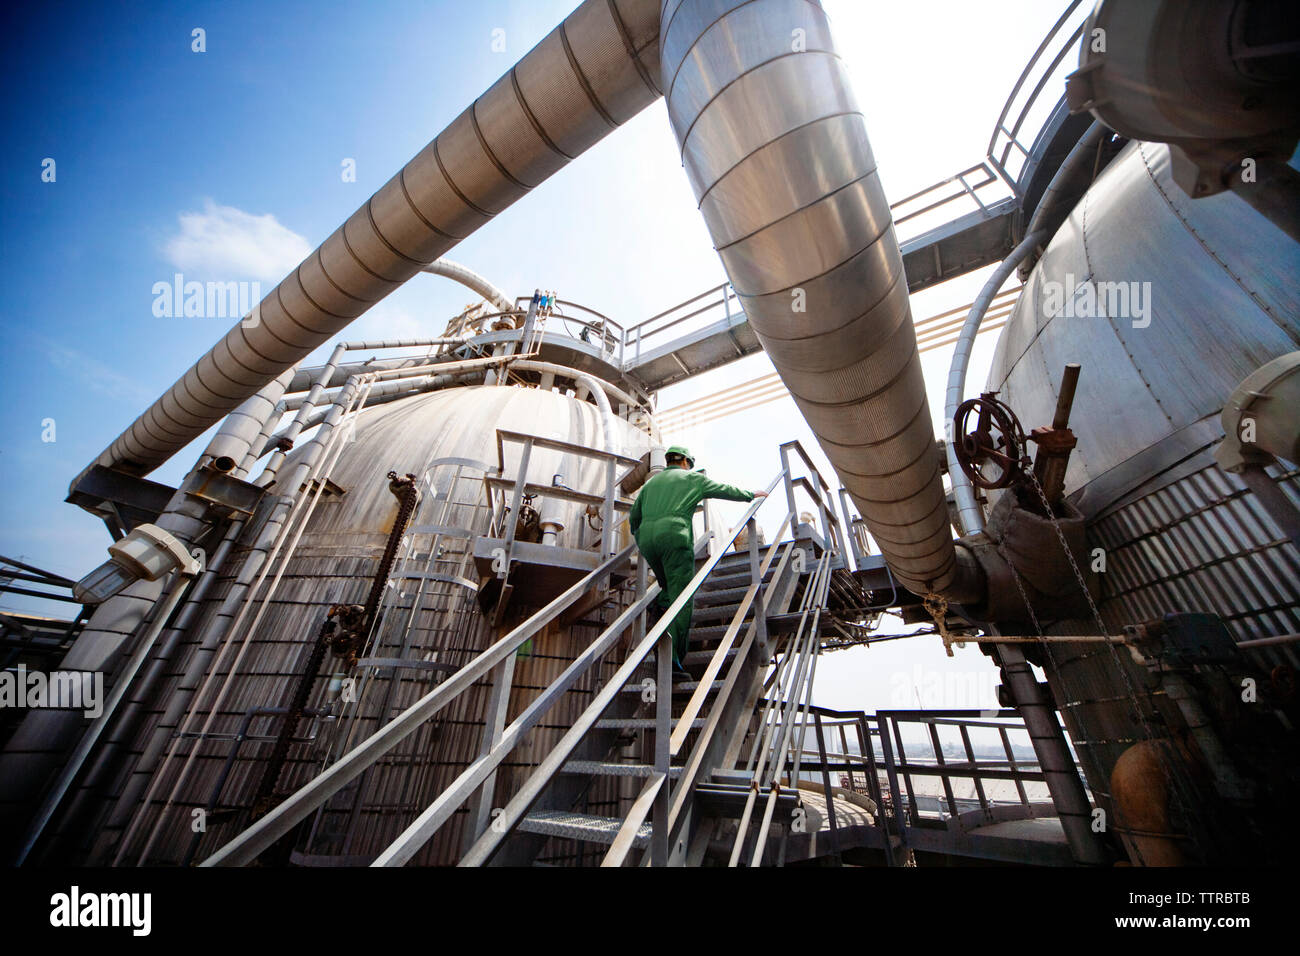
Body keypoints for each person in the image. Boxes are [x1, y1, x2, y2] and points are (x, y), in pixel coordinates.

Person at [628, 445, 767, 679]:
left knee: (666, 587)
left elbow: (634, 518)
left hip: (647, 541)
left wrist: (642, 536)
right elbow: (722, 489)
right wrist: (749, 495)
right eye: (689, 463)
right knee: (682, 598)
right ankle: (671, 662)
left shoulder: (650, 484)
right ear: (684, 462)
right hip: (674, 536)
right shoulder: (691, 478)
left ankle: (659, 606)